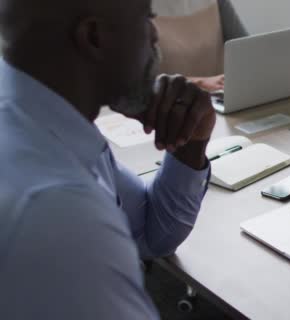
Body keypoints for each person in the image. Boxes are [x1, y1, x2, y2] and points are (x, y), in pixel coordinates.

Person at [0, 0, 216, 318]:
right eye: (147, 19)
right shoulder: (60, 214)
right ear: (95, 37)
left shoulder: (46, 121)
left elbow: (150, 236)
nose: (155, 36)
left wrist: (190, 144)